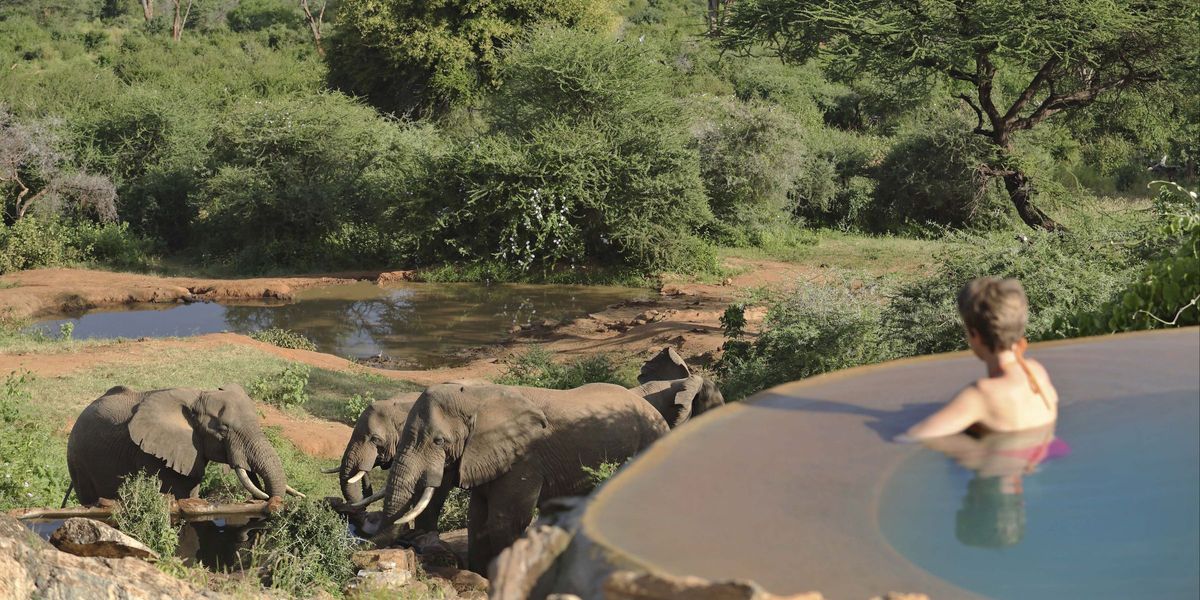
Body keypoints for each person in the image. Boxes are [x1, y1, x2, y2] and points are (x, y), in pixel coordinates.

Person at [898, 277, 1059, 441]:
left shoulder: (981, 395)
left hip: (1005, 463)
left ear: (974, 334)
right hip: (1050, 452)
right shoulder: (1037, 371)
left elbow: (910, 437)